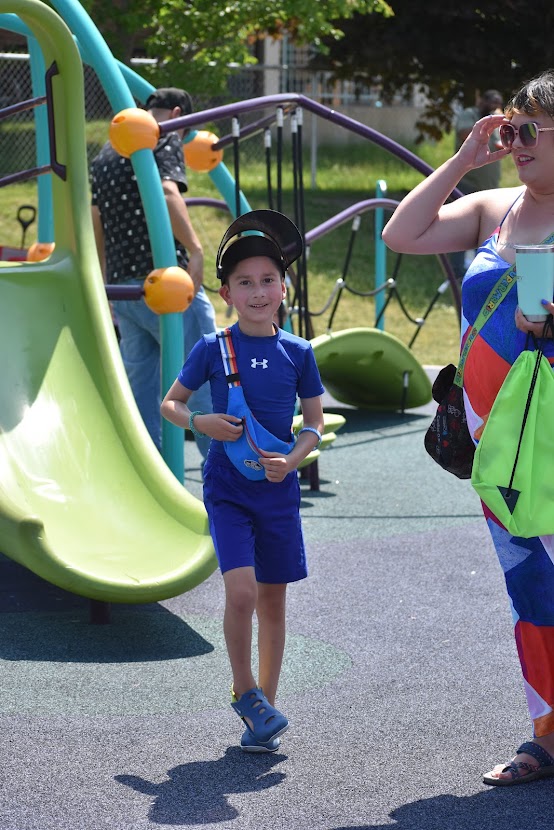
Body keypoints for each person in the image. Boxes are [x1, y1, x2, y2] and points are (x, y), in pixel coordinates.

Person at [382, 69, 554, 787]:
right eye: (509, 128)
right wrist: (463, 158)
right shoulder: (495, 207)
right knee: (533, 591)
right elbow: (403, 233)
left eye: (529, 129)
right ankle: (546, 735)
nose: (515, 141)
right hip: (498, 446)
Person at [161, 209, 325, 752]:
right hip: (227, 489)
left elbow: (315, 424)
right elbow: (171, 404)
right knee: (241, 592)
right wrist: (198, 423)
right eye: (245, 283)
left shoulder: (299, 353)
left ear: (285, 286)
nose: (258, 292)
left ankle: (265, 712)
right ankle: (244, 688)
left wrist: (296, 458)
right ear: (226, 292)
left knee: (274, 602)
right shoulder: (213, 348)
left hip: (278, 491)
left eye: (268, 281)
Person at [90, 87, 216, 460]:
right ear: (177, 114)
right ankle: (225, 473)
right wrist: (195, 249)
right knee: (209, 374)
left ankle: (151, 476)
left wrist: (105, 279)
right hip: (167, 286)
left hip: (125, 290)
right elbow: (166, 191)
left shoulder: (106, 154)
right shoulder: (162, 136)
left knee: (143, 387)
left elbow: (96, 219)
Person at [449, 89, 505, 279]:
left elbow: (498, 144)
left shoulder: (496, 123)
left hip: (488, 187)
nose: (494, 107)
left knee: (487, 232)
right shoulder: (470, 115)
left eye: (497, 104)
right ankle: (455, 271)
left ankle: (479, 272)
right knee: (460, 229)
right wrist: (487, 125)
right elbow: (466, 134)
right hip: (466, 183)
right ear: (482, 101)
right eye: (492, 103)